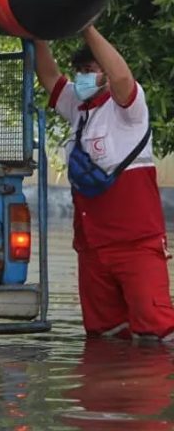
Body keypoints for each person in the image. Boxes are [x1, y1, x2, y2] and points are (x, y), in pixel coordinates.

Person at [34, 25, 174, 340]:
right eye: (80, 71)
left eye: (91, 70)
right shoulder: (78, 107)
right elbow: (48, 77)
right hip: (92, 246)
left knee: (157, 334)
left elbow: (123, 79)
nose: (84, 77)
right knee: (102, 335)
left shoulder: (129, 109)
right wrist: (35, 32)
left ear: (106, 71)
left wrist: (84, 27)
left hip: (135, 243)